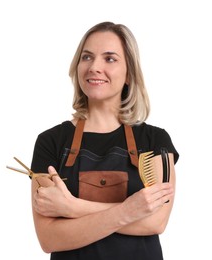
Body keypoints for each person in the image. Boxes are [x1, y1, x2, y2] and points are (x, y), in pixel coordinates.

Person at [30, 21, 179, 260]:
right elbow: (49, 238)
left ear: (129, 73)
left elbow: (156, 222)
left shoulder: (155, 140)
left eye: (109, 59)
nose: (94, 67)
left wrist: (73, 208)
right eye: (87, 57)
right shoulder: (51, 142)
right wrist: (131, 211)